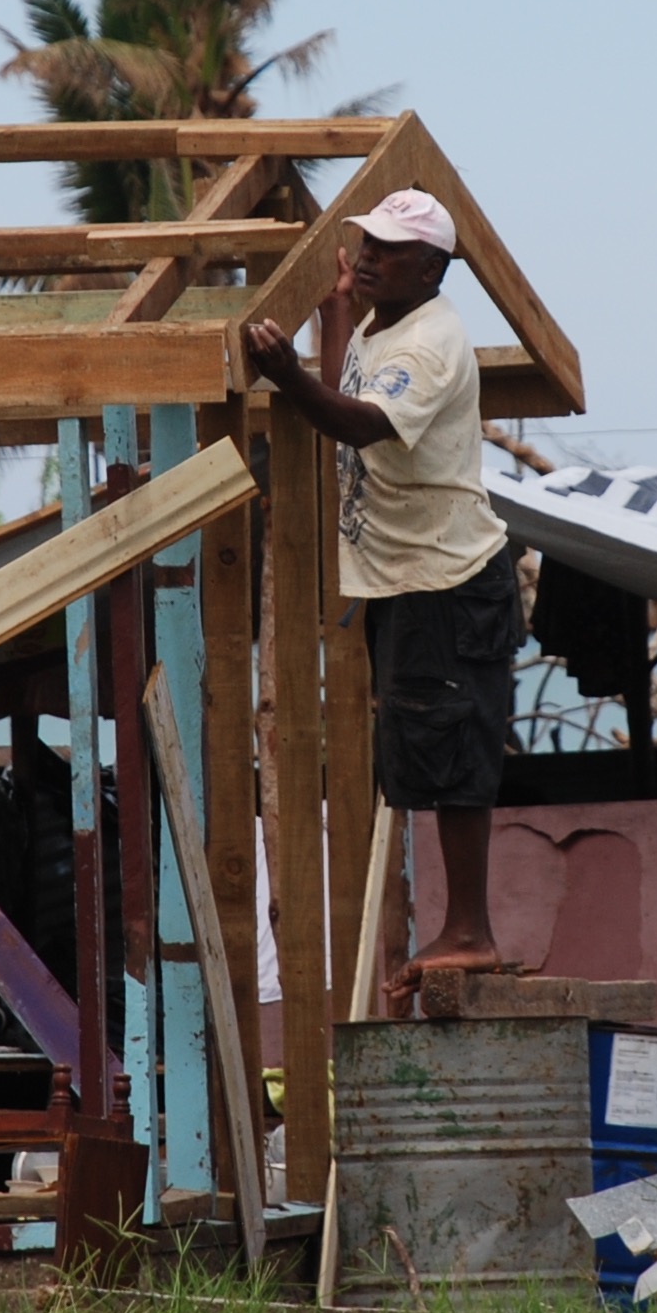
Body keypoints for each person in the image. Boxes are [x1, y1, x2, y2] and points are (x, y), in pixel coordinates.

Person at [241, 186, 519, 998]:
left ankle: (470, 930)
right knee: (418, 750)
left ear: (431, 267)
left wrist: (286, 375)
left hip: (450, 576)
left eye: (389, 248)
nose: (368, 254)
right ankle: (456, 925)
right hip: (405, 579)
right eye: (365, 241)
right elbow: (348, 394)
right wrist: (331, 318)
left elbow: (360, 422)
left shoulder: (431, 343)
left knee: (455, 747)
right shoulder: (379, 325)